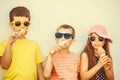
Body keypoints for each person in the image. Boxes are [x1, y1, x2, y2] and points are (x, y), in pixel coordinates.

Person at [0, 6, 44, 80]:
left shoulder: (34, 44)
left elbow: (39, 68)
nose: (22, 26)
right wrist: (10, 44)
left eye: (26, 23)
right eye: (18, 23)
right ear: (11, 25)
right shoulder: (4, 43)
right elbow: (4, 66)